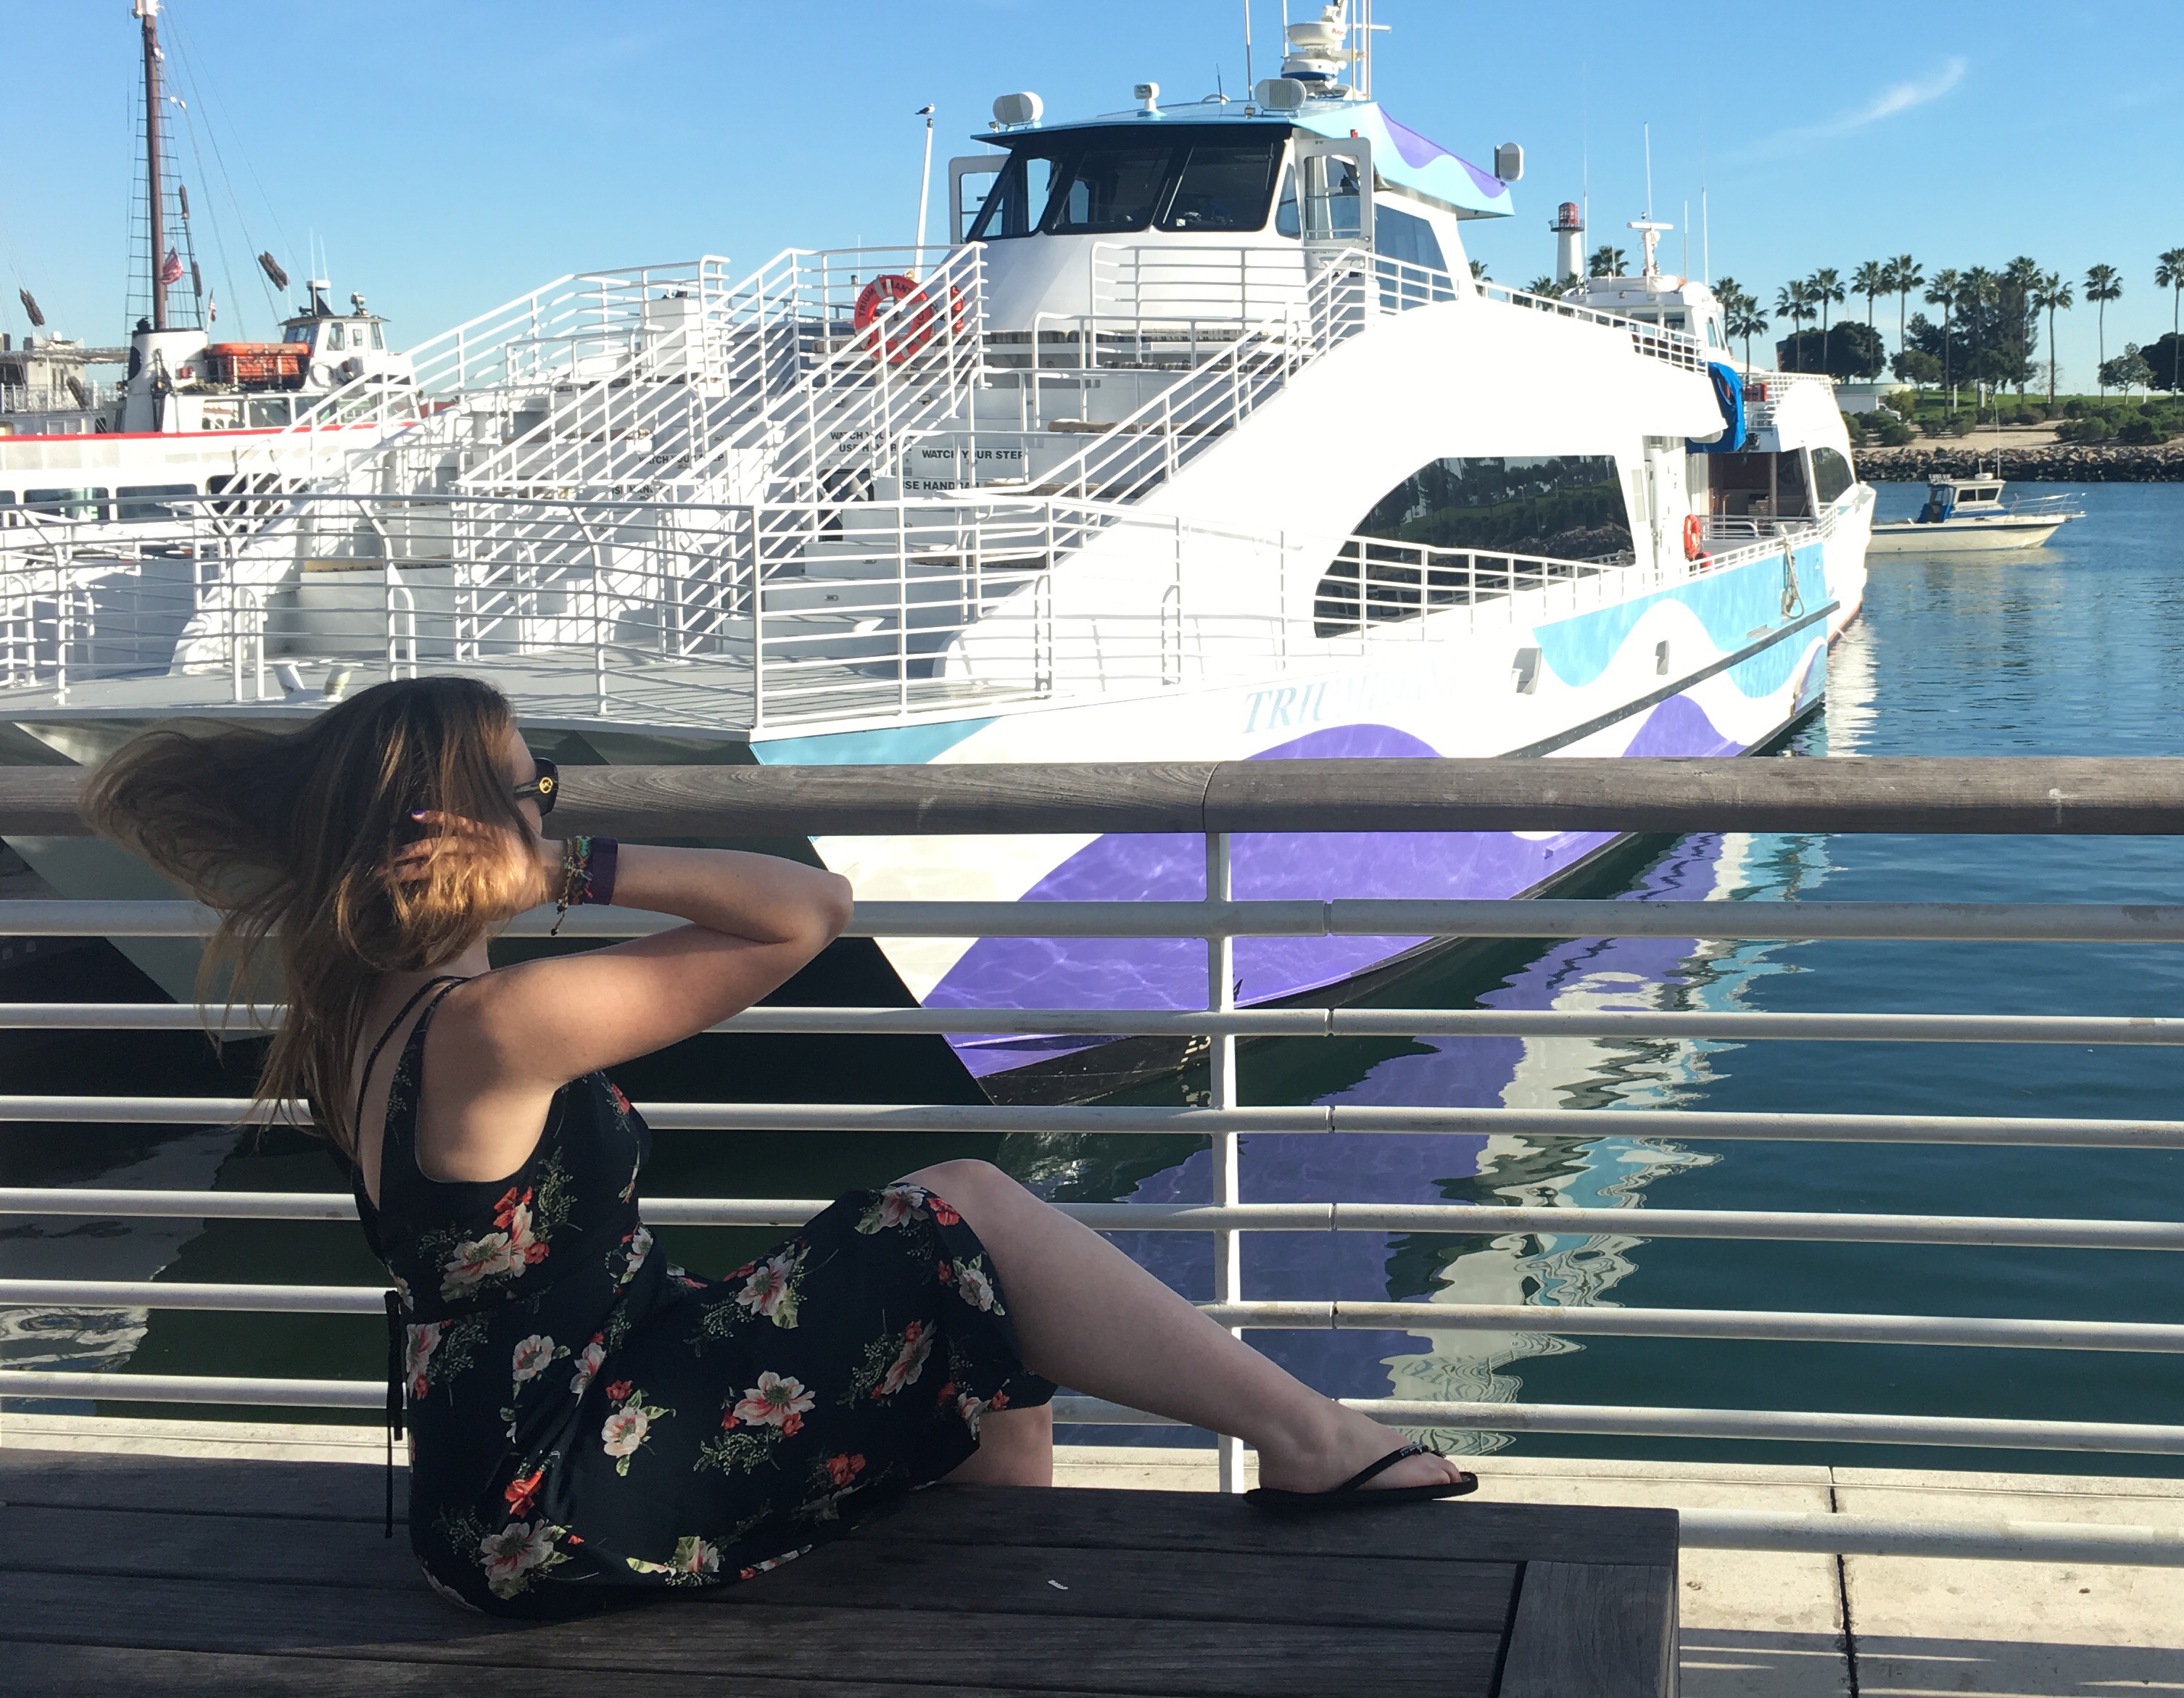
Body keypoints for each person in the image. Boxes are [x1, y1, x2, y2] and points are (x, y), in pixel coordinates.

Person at [81, 679, 1467, 1619]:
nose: (551, 804)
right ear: (470, 826)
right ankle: (1310, 1438)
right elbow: (810, 909)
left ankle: (1016, 1567)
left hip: (497, 1476)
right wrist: (572, 871)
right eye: (534, 787)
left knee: (970, 1284)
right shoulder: (496, 1025)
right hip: (554, 1495)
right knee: (958, 1211)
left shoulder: (355, 1012)